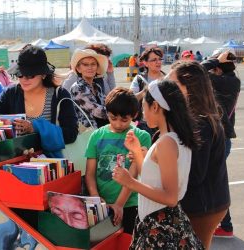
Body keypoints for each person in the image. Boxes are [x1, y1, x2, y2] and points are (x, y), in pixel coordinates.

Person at [112, 80, 203, 249]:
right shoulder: (174, 137)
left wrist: (130, 182)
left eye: (143, 106)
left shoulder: (166, 143)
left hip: (160, 224)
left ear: (155, 106)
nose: (142, 112)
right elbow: (154, 180)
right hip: (162, 220)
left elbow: (170, 197)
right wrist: (139, 153)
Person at [168, 61, 230, 249]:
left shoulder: (199, 123)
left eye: (174, 85)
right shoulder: (202, 116)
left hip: (203, 206)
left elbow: (195, 174)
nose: (169, 91)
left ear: (189, 87)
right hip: (211, 202)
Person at [85, 87, 151, 233]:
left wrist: (119, 204)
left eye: (124, 120)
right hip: (102, 203)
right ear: (106, 113)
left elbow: (133, 174)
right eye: (113, 118)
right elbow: (90, 173)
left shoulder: (141, 136)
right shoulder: (96, 136)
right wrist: (96, 200)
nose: (118, 124)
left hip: (130, 203)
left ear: (134, 115)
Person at [0, 45, 78, 146]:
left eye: (30, 75)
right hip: (18, 160)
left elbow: (71, 134)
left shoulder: (60, 95)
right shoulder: (11, 93)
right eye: (20, 74)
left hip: (52, 159)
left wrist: (35, 128)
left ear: (43, 74)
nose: (24, 79)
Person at [201, 51, 240, 238]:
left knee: (214, 181)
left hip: (220, 139)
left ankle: (225, 225)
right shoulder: (229, 80)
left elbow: (198, 71)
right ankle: (224, 224)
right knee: (214, 180)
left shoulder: (226, 81)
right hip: (221, 138)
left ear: (217, 68)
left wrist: (213, 60)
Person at [69, 48, 109, 128]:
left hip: (102, 129)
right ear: (78, 69)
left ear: (97, 67)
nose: (90, 67)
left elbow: (107, 104)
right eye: (85, 64)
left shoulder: (97, 87)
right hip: (88, 133)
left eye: (93, 64)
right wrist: (119, 114)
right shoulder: (77, 88)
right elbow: (96, 111)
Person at [130, 47, 165, 136]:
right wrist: (144, 92)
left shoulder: (167, 78)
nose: (158, 62)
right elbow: (130, 99)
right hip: (144, 124)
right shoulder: (139, 79)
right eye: (154, 60)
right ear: (145, 63)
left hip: (164, 124)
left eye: (160, 59)